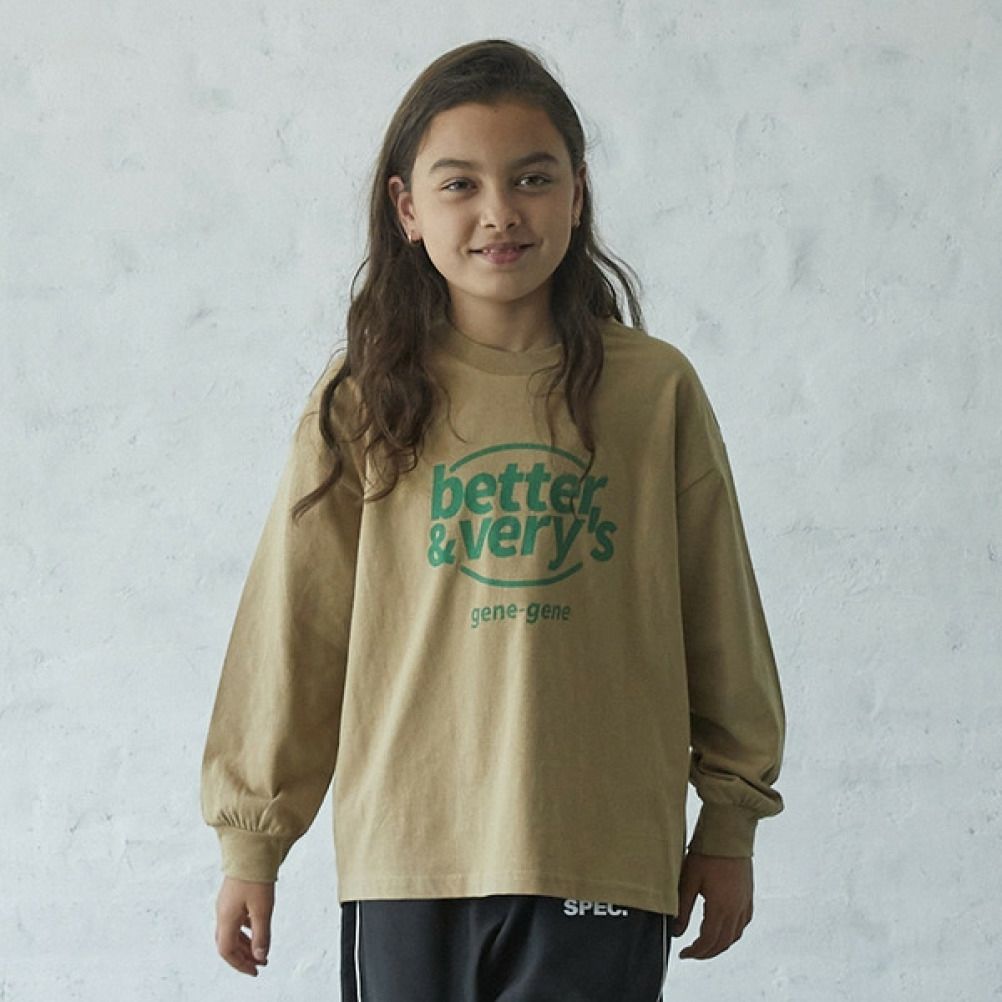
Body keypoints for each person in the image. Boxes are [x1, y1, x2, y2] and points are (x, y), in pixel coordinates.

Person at [200, 37, 785, 1001]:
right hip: (408, 856)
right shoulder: (365, 397)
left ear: (578, 193)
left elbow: (719, 615)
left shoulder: (653, 393)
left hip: (600, 850)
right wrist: (251, 843)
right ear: (408, 209)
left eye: (532, 178)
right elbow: (294, 628)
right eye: (460, 184)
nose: (500, 211)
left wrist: (730, 822)